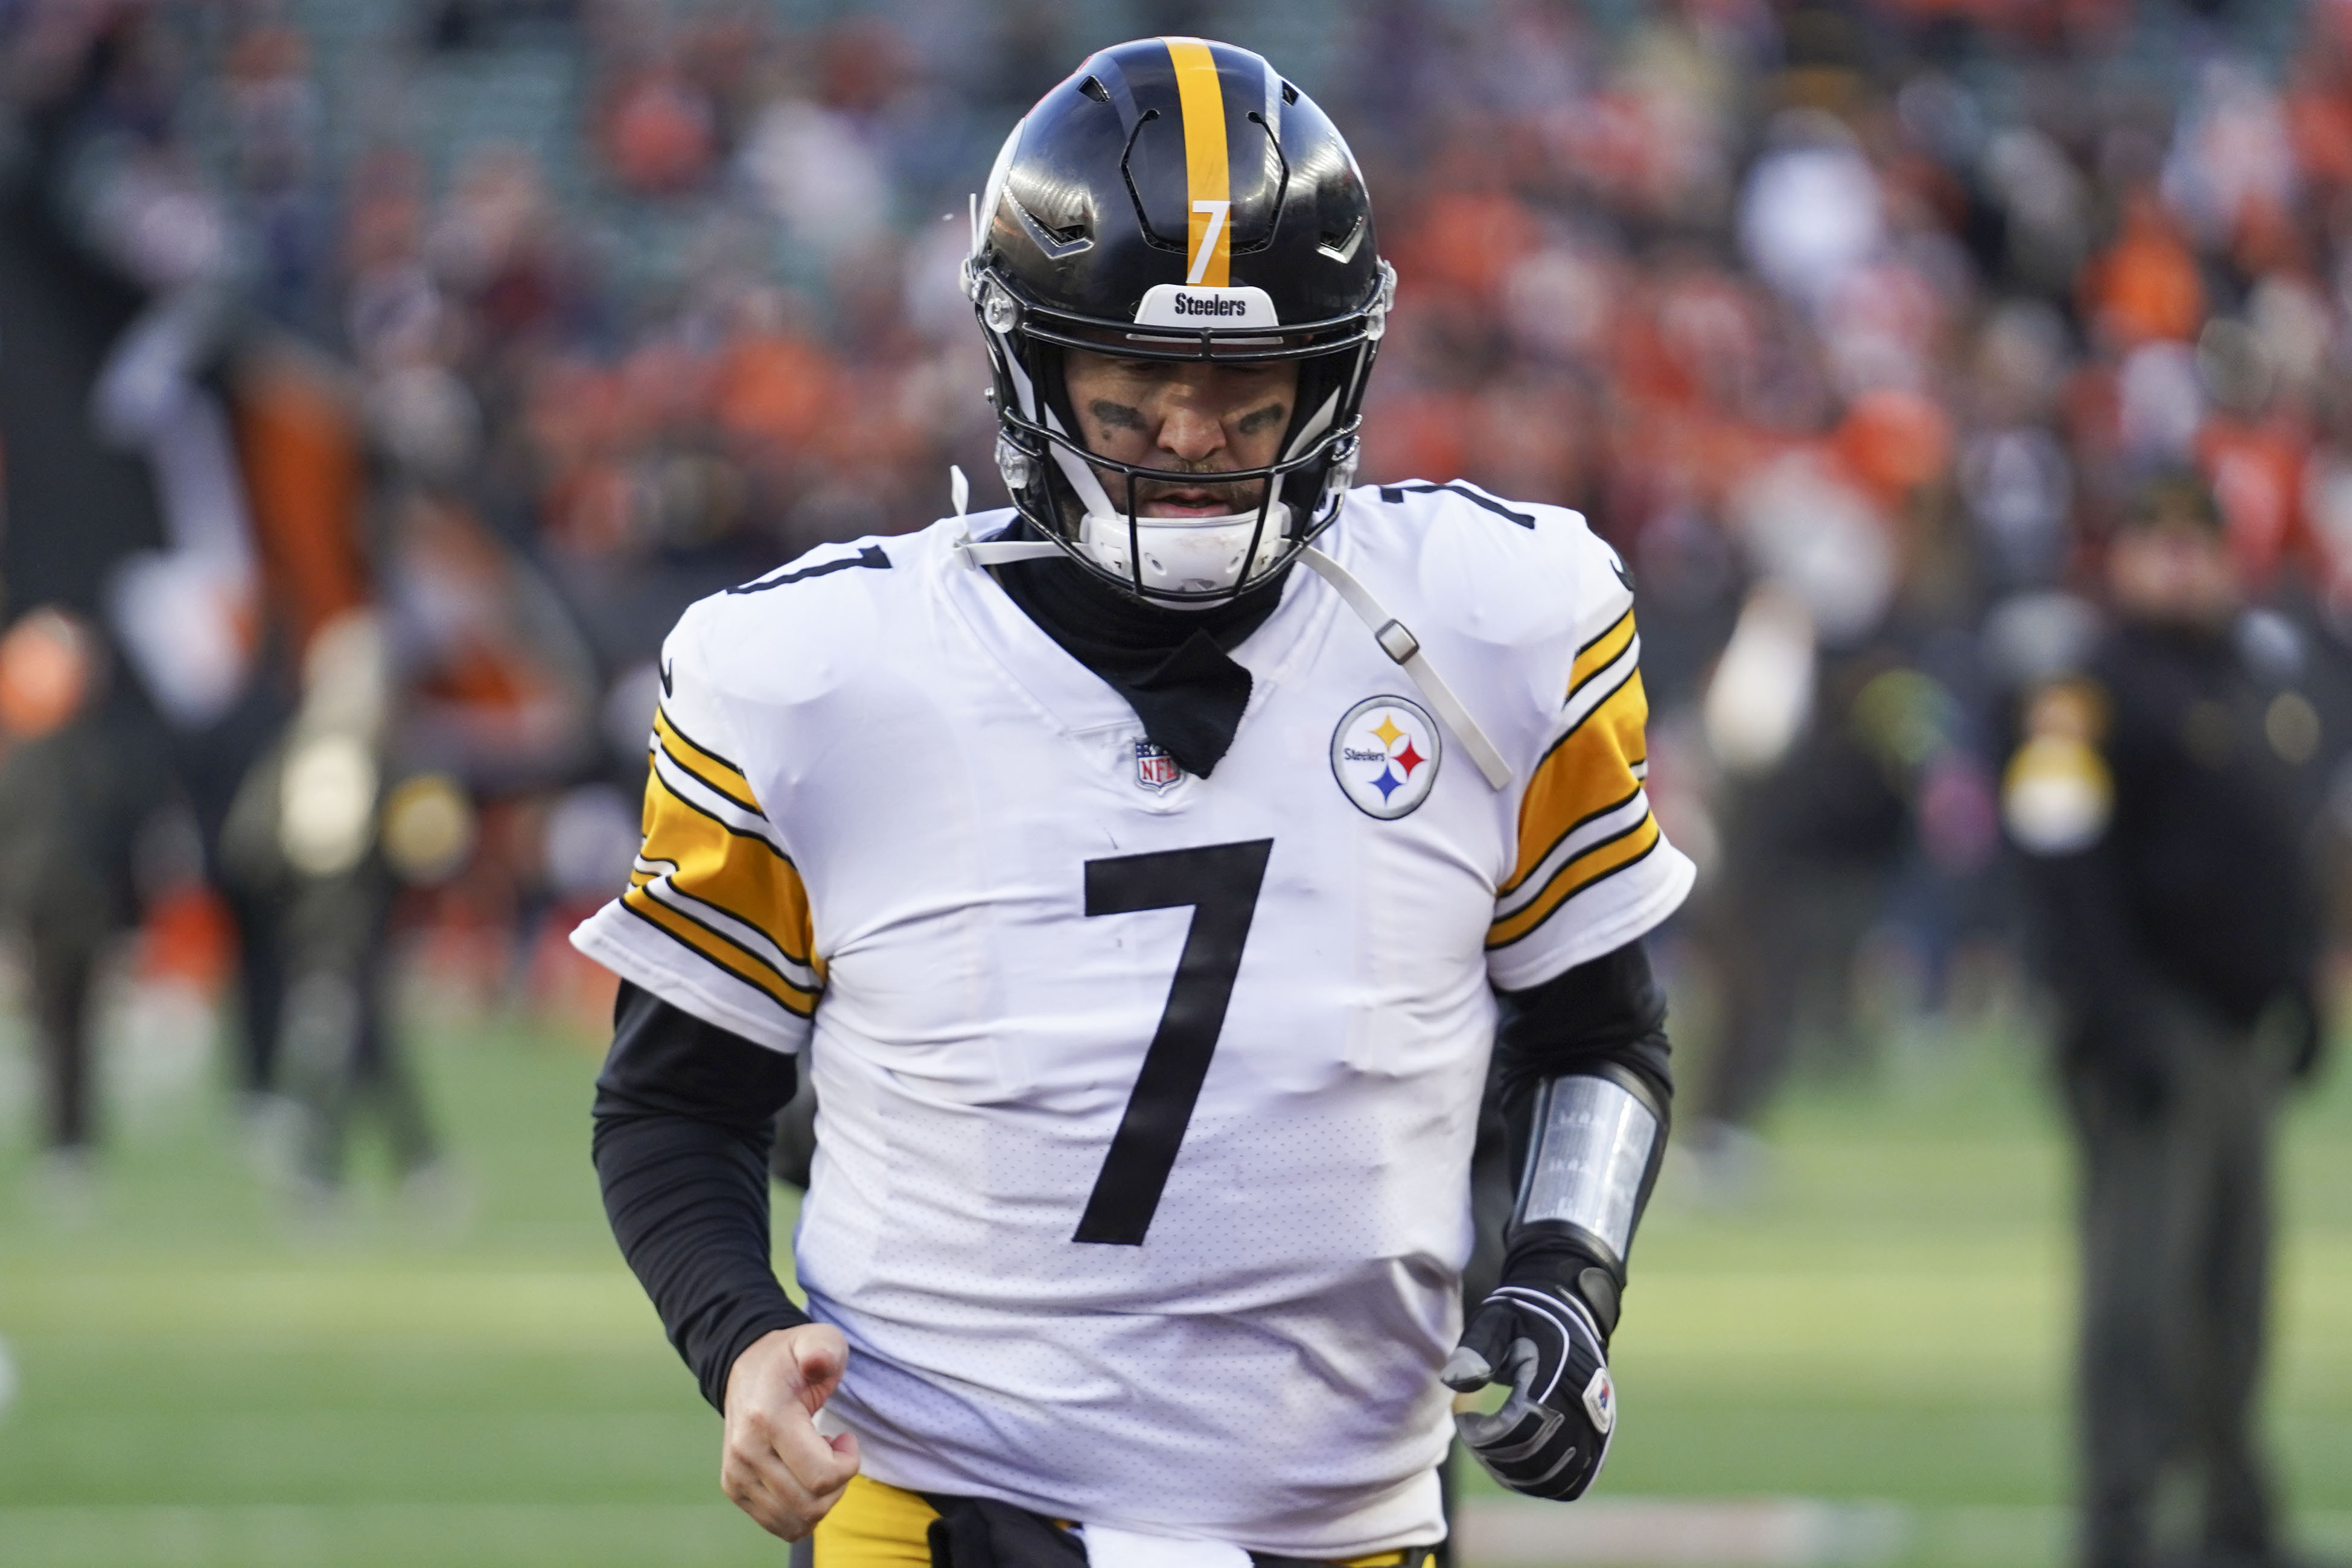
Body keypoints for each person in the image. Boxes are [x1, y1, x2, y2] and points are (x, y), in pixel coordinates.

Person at [578, 38, 1694, 1561]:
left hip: (1351, 1528)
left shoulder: (1495, 628)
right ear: (1029, 364)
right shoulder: (821, 671)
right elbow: (672, 1101)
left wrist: (1566, 1276)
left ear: (1335, 372)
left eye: (1246, 392)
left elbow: (1597, 1037)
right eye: (1133, 389)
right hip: (939, 1518)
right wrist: (739, 1336)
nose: (1188, 437)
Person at [2003, 477, 2331, 1568]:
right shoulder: (2088, 688)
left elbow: (2280, 848)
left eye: (2199, 542)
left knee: (2234, 1294)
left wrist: (2299, 985)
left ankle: (2233, 1510)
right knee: (2139, 1295)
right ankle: (2124, 1518)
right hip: (2156, 1023)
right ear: (2123, 553)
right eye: (2160, 540)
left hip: (2239, 1027)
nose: (2182, 562)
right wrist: (2110, 1013)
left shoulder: (2249, 672)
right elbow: (2057, 855)